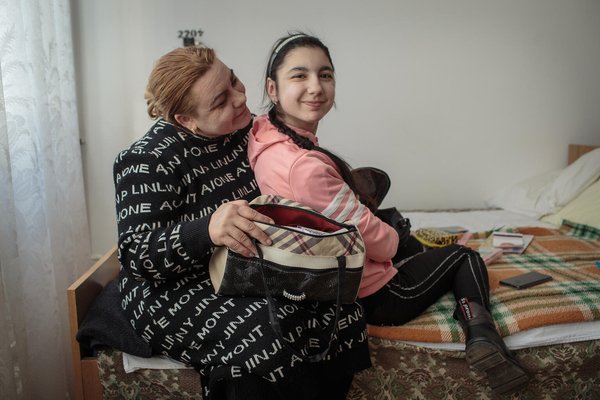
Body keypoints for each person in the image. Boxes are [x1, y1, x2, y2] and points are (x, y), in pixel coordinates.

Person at [247, 32, 530, 396]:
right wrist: (392, 235)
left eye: (325, 74)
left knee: (407, 235)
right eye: (299, 76)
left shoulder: (263, 136)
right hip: (370, 294)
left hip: (334, 277)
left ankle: (467, 315)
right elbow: (378, 246)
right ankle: (481, 334)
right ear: (273, 87)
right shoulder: (304, 166)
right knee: (463, 257)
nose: (315, 87)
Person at [113, 45, 371, 400]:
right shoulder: (148, 159)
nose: (238, 98)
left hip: (245, 268)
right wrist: (206, 230)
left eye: (233, 80)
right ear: (186, 120)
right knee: (269, 334)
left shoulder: (246, 131)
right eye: (220, 101)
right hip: (175, 287)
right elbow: (135, 253)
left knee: (341, 311)